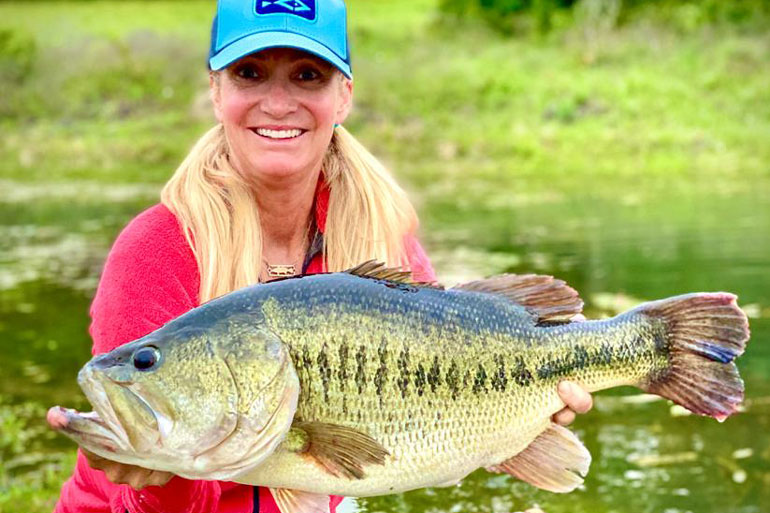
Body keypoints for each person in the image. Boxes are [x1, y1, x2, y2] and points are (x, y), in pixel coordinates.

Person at [51, 0, 593, 511]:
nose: (279, 102)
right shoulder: (154, 251)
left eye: (308, 75)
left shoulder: (381, 231)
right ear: (216, 92)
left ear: (344, 97)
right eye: (250, 73)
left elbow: (433, 418)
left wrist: (508, 428)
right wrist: (159, 475)